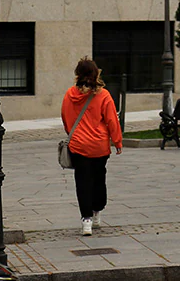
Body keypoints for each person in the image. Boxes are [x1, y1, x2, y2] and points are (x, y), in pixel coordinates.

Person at [61, 57, 122, 236]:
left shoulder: (69, 95)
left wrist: (74, 135)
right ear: (96, 74)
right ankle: (97, 211)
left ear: (77, 74)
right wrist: (117, 141)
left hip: (78, 145)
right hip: (99, 145)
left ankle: (86, 219)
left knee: (82, 182)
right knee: (98, 179)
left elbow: (65, 118)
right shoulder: (103, 95)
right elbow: (112, 120)